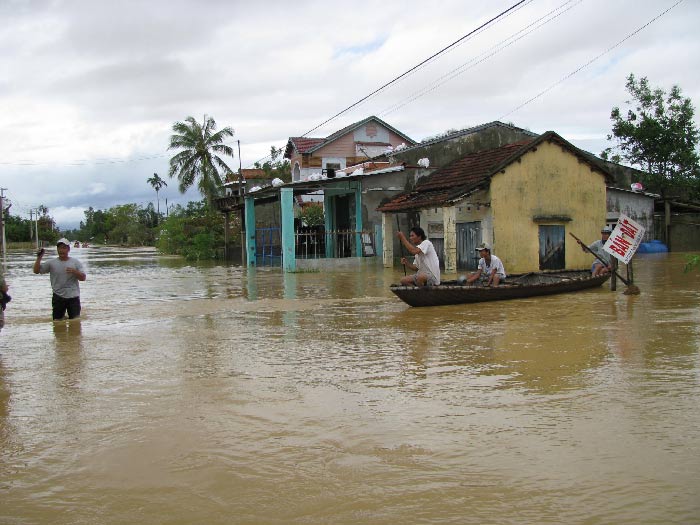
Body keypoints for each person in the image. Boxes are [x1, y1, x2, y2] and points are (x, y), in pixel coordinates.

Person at [33, 238, 87, 320]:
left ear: (68, 249)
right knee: (57, 322)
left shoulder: (75, 262)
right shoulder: (51, 263)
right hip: (58, 296)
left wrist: (75, 272)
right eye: (59, 248)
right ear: (57, 249)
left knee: (75, 322)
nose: (61, 250)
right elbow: (36, 271)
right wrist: (39, 258)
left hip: (73, 296)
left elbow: (83, 278)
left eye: (64, 248)